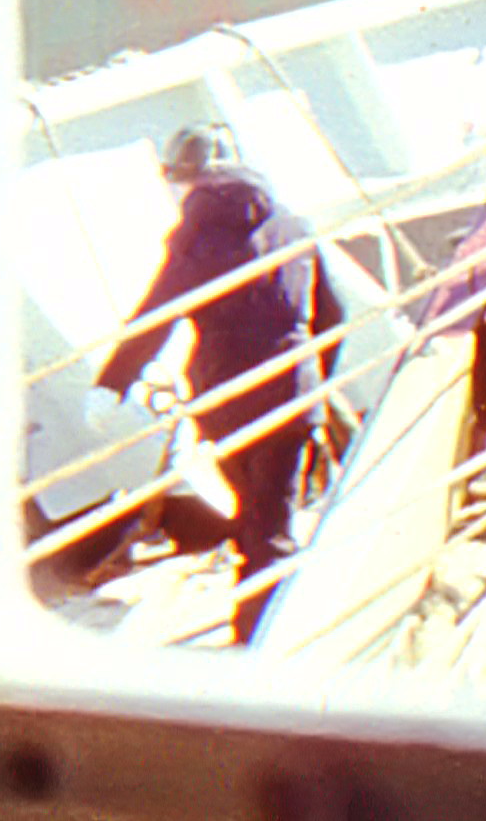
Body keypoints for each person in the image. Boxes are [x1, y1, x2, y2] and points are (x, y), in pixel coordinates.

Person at [96, 123, 328, 641]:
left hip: (228, 401)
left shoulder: (197, 238)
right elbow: (332, 315)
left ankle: (258, 638)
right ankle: (272, 626)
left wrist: (110, 384)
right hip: (294, 390)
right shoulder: (293, 225)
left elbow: (159, 313)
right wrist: (314, 382)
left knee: (256, 521)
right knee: (272, 518)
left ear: (186, 182)